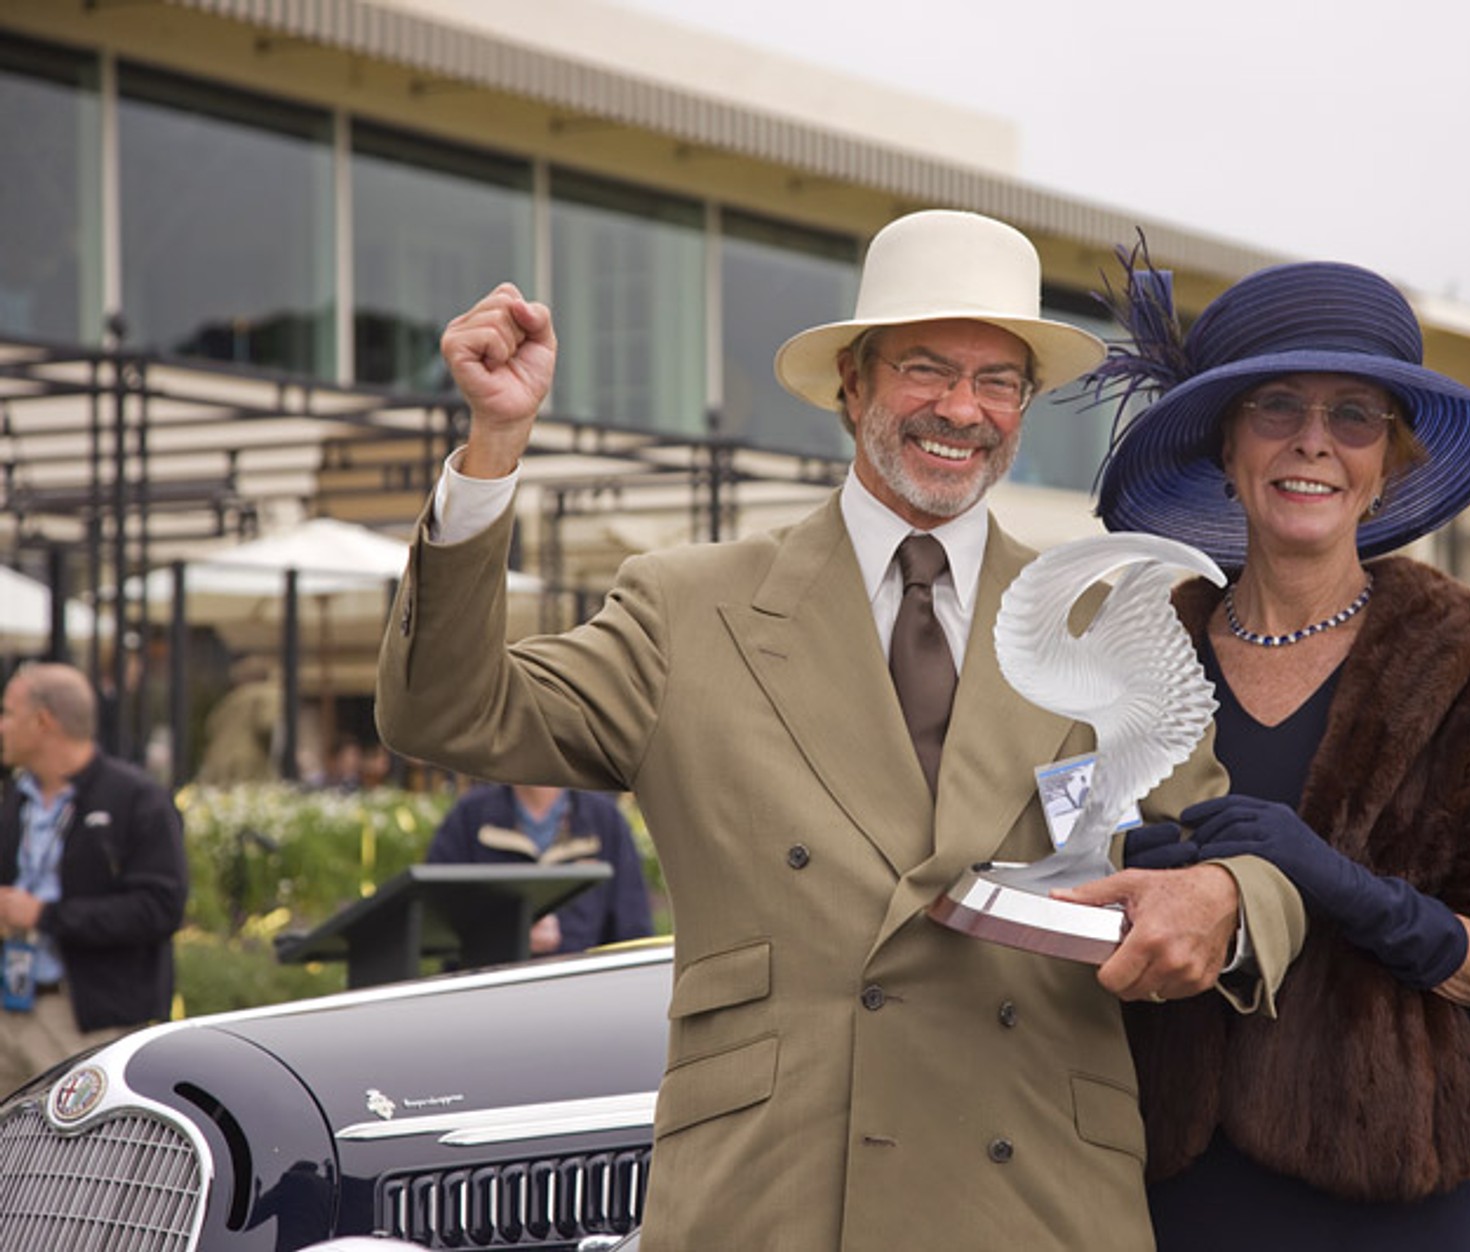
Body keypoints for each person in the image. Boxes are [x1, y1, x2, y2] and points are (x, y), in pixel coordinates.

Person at [374, 209, 1305, 1250]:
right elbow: (445, 710)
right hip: (774, 1199)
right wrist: (492, 448)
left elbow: (1236, 856)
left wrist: (1222, 898)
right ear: (851, 385)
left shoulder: (1096, 620)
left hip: (1035, 1200)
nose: (962, 408)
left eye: (998, 381)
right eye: (924, 369)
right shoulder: (688, 608)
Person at [1089, 250, 1470, 1249]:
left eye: (1352, 416)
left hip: (1399, 1201)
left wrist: (1343, 889)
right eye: (1275, 406)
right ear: (1228, 446)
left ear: (1386, 461)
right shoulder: (1133, 651)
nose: (1312, 442)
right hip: (1171, 1197)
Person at [0, 662, 188, 1093]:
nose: (2, 726)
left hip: (83, 1021)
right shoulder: (17, 799)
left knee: (66, 1158)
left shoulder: (137, 799)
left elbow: (160, 908)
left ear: (43, 722)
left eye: (9, 713)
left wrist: (45, 916)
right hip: (11, 1004)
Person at [425, 783, 656, 956]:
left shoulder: (606, 821)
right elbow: (433, 924)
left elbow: (633, 934)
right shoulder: (468, 818)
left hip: (583, 1001)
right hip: (491, 998)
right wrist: (505, 937)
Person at [196, 654, 281, 785]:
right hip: (249, 764)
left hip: (216, 763)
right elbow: (268, 725)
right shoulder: (267, 693)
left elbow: (210, 727)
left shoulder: (229, 700)